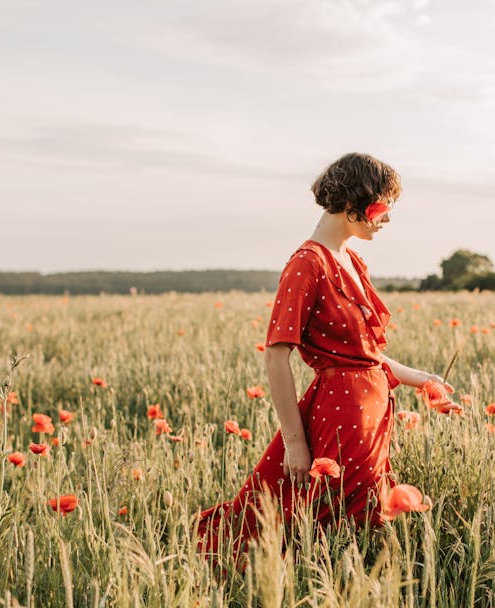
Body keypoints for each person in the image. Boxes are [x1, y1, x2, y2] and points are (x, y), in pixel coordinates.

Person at [196, 152, 459, 573]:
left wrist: (423, 379)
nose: (387, 218)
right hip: (340, 415)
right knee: (331, 520)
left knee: (361, 522)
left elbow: (366, 356)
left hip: (372, 413)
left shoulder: (351, 261)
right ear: (356, 201)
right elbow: (277, 355)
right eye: (384, 205)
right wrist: (296, 442)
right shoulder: (307, 265)